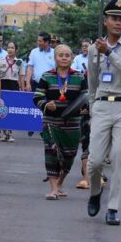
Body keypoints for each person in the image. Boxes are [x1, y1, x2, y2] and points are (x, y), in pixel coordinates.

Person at [86, 0, 121, 226]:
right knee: (95, 161)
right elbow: (92, 82)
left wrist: (109, 52)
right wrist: (93, 109)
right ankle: (95, 191)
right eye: (114, 18)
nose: (118, 23)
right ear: (105, 21)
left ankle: (113, 207)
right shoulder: (93, 49)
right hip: (102, 105)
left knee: (119, 155)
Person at [34, 44, 87, 200]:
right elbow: (37, 97)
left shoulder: (79, 77)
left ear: (72, 58)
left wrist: (85, 109)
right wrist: (46, 105)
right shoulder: (46, 76)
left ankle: (60, 183)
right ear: (55, 58)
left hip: (73, 123)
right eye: (60, 55)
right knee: (51, 153)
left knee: (69, 156)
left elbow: (86, 97)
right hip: (51, 122)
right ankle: (53, 189)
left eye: (67, 55)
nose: (64, 58)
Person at [0, 40, 22, 142]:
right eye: (8, 47)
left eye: (12, 48)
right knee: (3, 109)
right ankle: (4, 133)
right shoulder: (1, 61)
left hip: (14, 86)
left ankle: (9, 133)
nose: (10, 49)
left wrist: (22, 89)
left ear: (16, 50)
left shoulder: (19, 62)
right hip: (3, 85)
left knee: (11, 109)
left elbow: (21, 76)